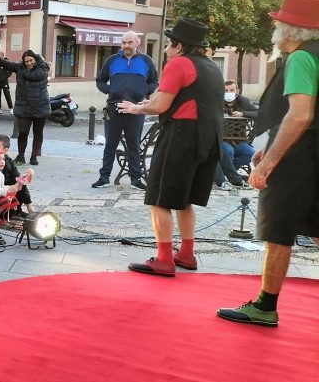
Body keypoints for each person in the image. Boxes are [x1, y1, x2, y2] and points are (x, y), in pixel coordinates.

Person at [217, 0, 319, 327]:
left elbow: (301, 115)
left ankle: (264, 305)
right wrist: (270, 145)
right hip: (310, 154)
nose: (274, 29)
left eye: (279, 23)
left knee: (278, 230)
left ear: (293, 30)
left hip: (299, 158)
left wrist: (268, 163)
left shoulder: (302, 57)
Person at [117, 19, 223, 277]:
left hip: (181, 136)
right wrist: (150, 101)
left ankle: (164, 259)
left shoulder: (178, 63)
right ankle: (186, 254)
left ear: (179, 45)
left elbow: (159, 106)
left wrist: (136, 108)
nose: (165, 49)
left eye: (168, 44)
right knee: (184, 199)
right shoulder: (212, 67)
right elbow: (175, 97)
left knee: (159, 197)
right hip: (209, 138)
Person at [93, 31, 158, 187]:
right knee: (110, 145)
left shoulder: (146, 61)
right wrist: (111, 90)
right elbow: (100, 80)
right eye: (123, 43)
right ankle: (104, 177)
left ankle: (135, 178)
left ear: (137, 43)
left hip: (136, 109)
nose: (126, 46)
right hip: (113, 108)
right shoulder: (112, 60)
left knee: (134, 145)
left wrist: (143, 92)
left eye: (129, 42)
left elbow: (154, 81)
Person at [0, 50, 51, 165]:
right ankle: (21, 156)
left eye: (31, 60)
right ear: (23, 61)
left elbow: (35, 75)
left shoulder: (42, 69)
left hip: (40, 107)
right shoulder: (20, 67)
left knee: (38, 133)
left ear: (35, 59)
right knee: (23, 133)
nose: (29, 63)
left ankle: (34, 157)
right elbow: (8, 65)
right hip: (24, 107)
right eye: (26, 61)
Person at [214, 79, 258, 189]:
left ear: (237, 91)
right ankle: (232, 175)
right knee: (227, 151)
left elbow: (259, 112)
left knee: (250, 153)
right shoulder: (216, 102)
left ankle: (226, 172)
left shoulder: (244, 101)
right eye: (226, 90)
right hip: (222, 139)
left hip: (239, 139)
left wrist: (243, 113)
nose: (229, 93)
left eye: (232, 90)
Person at [0, 134, 36, 216]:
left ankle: (17, 211)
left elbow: (19, 179)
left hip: (3, 190)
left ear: (5, 150)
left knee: (19, 182)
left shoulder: (8, 161)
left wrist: (29, 204)